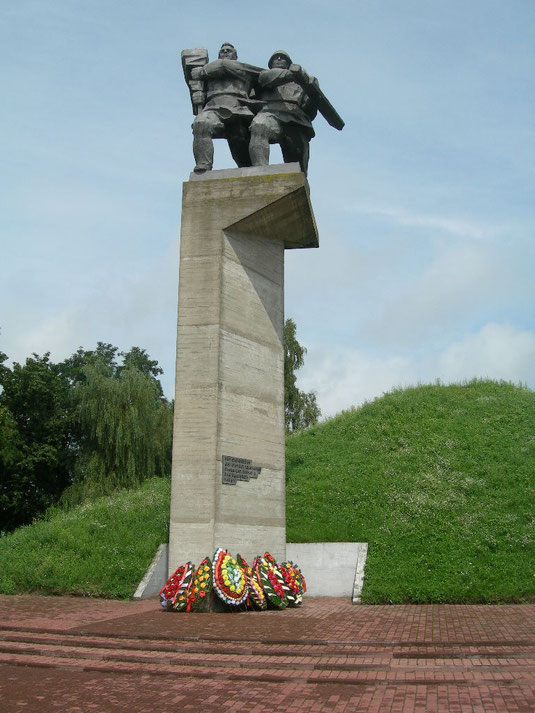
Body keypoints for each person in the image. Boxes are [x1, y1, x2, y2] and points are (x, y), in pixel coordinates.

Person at [189, 43, 257, 173]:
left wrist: (202, 71)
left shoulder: (242, 69)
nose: (225, 52)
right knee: (200, 124)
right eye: (222, 51)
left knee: (239, 142)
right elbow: (198, 91)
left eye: (229, 51)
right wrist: (198, 95)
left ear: (235, 56)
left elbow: (223, 66)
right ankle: (203, 165)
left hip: (238, 108)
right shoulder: (208, 75)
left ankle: (248, 168)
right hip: (213, 108)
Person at [249, 51, 319, 175]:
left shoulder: (301, 83)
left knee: (297, 163)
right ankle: (259, 171)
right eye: (275, 58)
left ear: (289, 63)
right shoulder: (264, 76)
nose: (279, 59)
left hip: (296, 119)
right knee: (259, 125)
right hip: (269, 114)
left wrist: (314, 96)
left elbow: (310, 112)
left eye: (283, 58)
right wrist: (293, 74)